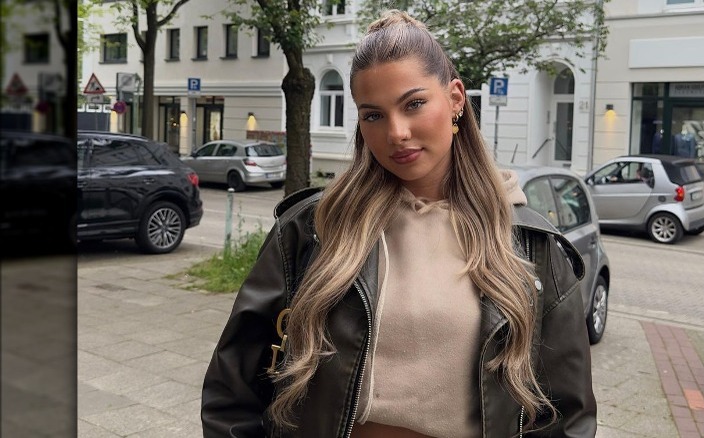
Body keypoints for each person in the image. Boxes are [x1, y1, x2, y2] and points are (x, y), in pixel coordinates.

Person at [202, 10, 596, 438]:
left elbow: (567, 418)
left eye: (414, 104)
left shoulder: (531, 246)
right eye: (373, 115)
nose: (397, 132)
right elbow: (233, 391)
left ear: (456, 99)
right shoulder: (314, 230)